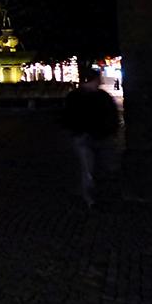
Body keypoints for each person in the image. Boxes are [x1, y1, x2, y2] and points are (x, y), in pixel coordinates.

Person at [62, 68, 120, 208]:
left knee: (94, 168)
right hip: (90, 136)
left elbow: (67, 116)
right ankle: (92, 198)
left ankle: (95, 197)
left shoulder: (76, 96)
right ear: (93, 80)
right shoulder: (100, 97)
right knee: (91, 168)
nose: (100, 81)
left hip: (94, 136)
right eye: (98, 79)